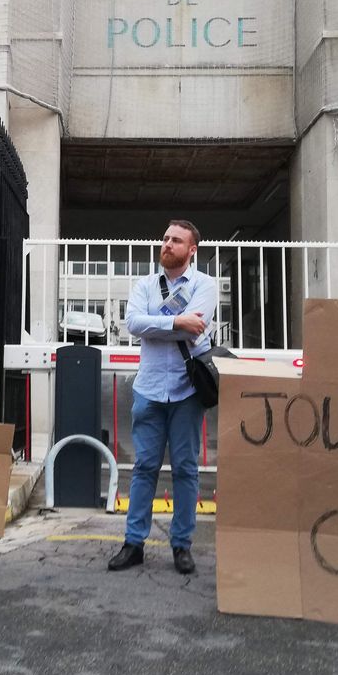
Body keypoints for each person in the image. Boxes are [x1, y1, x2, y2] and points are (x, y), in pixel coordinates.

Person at [108, 220, 217, 576]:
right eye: (166, 238)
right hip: (149, 388)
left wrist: (161, 325)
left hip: (187, 391)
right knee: (144, 468)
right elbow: (134, 325)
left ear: (192, 249)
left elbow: (196, 326)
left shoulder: (206, 285)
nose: (168, 244)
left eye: (176, 240)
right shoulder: (145, 285)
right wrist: (175, 324)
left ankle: (182, 545)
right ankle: (133, 542)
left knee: (186, 470)